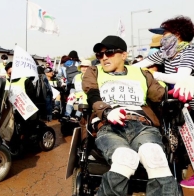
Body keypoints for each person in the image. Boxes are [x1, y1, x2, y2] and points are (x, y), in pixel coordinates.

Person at [83, 35, 178, 195]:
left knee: (155, 157)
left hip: (142, 126)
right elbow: (92, 94)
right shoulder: (94, 71)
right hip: (109, 125)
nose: (104, 57)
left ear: (124, 55)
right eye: (100, 54)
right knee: (125, 157)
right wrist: (106, 111)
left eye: (109, 52)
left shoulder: (142, 73)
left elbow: (161, 96)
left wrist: (184, 85)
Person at [134, 16, 194, 89]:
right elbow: (140, 65)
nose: (162, 38)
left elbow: (181, 78)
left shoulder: (189, 51)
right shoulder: (164, 52)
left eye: (164, 34)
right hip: (173, 95)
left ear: (177, 35)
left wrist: (152, 74)